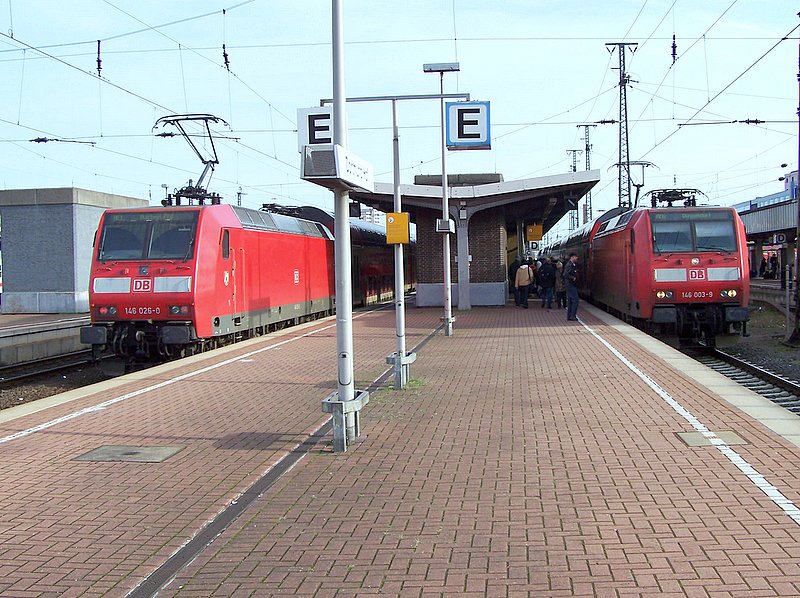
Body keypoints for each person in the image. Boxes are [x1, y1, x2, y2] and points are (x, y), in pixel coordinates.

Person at [564, 252, 580, 321]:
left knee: (570, 301)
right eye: (576, 257)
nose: (577, 258)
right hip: (571, 285)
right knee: (576, 300)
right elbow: (565, 274)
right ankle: (572, 315)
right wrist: (573, 278)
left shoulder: (571, 264)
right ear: (572, 257)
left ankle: (570, 316)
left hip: (570, 285)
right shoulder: (569, 265)